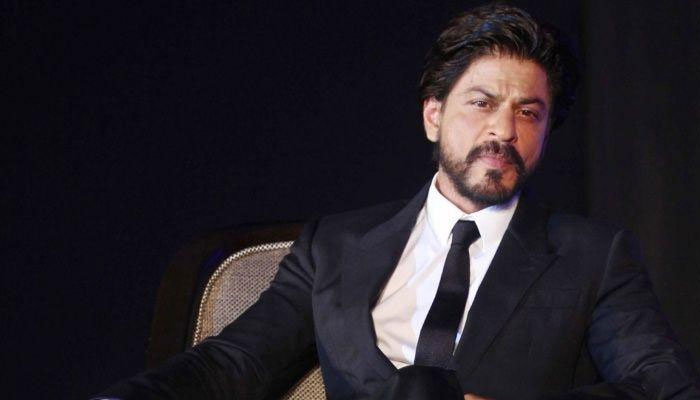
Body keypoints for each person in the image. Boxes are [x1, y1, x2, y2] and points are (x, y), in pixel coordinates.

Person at [96, 4, 700, 399]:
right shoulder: (333, 247)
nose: (504, 130)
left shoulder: (593, 256)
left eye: (529, 112)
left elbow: (664, 385)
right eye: (482, 103)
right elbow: (236, 364)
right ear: (433, 116)